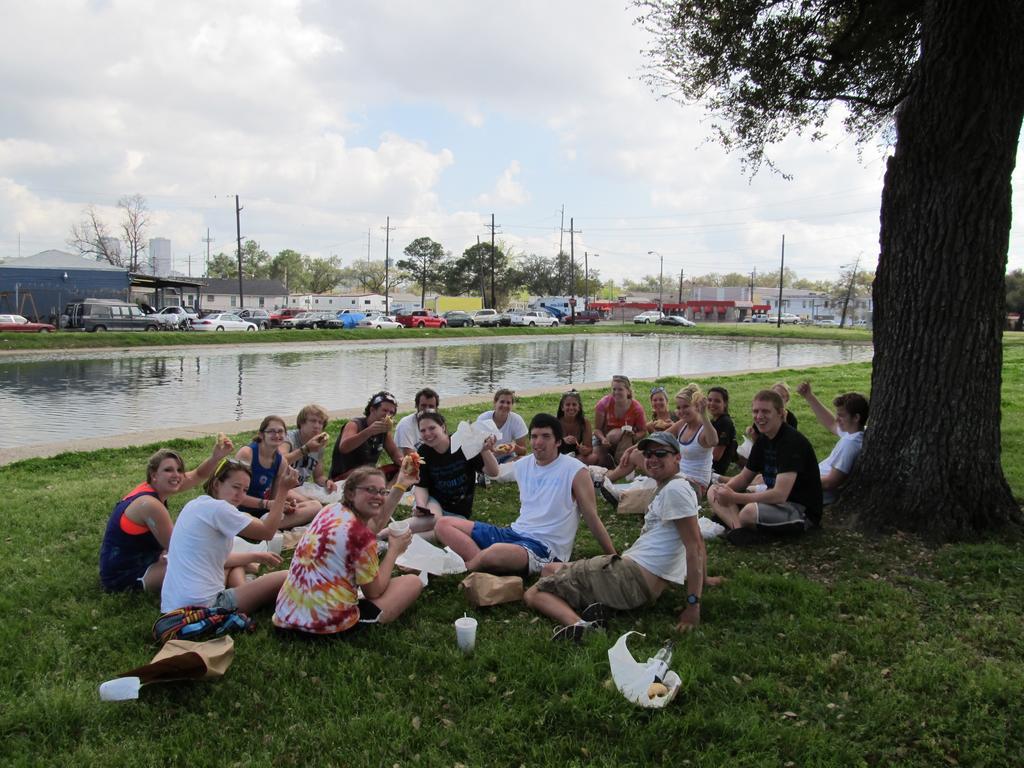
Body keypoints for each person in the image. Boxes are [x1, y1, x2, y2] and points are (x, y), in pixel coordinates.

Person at [524, 432, 710, 641]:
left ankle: (583, 627)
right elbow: (698, 541)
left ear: (677, 458)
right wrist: (705, 580)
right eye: (648, 454)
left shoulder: (675, 490)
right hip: (633, 576)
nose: (652, 459)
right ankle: (596, 605)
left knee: (534, 593)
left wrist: (693, 605)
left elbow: (694, 547)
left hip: (628, 578)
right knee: (549, 569)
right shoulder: (675, 485)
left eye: (661, 453)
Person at [434, 413, 617, 576]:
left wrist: (613, 556)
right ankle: (482, 562)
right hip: (514, 533)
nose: (538, 442)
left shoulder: (575, 471)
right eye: (534, 436)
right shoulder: (523, 465)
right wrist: (482, 446)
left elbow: (592, 517)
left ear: (558, 441)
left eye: (546, 436)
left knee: (496, 551)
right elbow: (495, 472)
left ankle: (468, 565)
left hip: (545, 548)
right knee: (443, 524)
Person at [272, 464, 423, 636]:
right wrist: (394, 550)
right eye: (371, 490)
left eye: (382, 492)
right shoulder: (362, 537)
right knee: (412, 582)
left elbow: (374, 525)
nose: (378, 497)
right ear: (351, 493)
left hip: (285, 619)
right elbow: (374, 592)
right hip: (326, 627)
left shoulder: (330, 510)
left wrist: (400, 485)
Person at [160, 458, 299, 614]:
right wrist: (283, 491)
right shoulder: (220, 509)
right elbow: (267, 532)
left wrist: (257, 556)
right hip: (206, 608)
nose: (240, 495)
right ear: (217, 484)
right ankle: (249, 594)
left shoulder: (195, 504)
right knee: (286, 576)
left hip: (173, 607)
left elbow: (220, 559)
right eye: (236, 487)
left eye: (245, 490)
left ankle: (245, 591)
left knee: (236, 566)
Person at [99, 435, 235, 593]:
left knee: (214, 556)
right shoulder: (150, 505)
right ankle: (235, 579)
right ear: (154, 475)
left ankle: (234, 575)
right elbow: (180, 550)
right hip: (123, 577)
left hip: (146, 560)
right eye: (168, 470)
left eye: (179, 470)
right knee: (203, 565)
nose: (176, 475)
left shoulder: (152, 487)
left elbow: (198, 475)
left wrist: (216, 457)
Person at [707, 389, 822, 538]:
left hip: (799, 509)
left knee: (749, 512)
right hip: (773, 502)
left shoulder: (791, 442)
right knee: (714, 490)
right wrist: (723, 492)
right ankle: (738, 529)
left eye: (765, 412)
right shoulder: (763, 439)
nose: (759, 416)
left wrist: (733, 498)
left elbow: (780, 495)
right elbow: (744, 478)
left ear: (780, 413)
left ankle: (739, 525)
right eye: (755, 411)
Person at [413, 411, 500, 528]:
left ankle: (396, 536)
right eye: (423, 430)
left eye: (432, 428)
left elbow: (494, 472)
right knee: (433, 519)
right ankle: (387, 533)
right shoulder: (423, 451)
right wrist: (421, 506)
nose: (427, 434)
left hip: (459, 510)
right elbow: (421, 485)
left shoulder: (462, 443)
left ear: (443, 427)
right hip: (434, 502)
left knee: (442, 529)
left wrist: (485, 450)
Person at [237, 415, 321, 527]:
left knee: (315, 506)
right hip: (240, 511)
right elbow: (235, 496)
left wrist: (284, 506)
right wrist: (268, 504)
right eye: (271, 431)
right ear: (261, 435)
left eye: (280, 432)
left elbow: (274, 498)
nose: (276, 435)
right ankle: (263, 526)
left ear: (285, 435)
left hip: (264, 513)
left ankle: (265, 525)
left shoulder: (280, 461)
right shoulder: (247, 454)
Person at [796, 382, 869, 504]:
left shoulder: (850, 444)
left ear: (856, 418)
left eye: (841, 416)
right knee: (761, 479)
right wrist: (809, 396)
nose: (837, 419)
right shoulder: (858, 431)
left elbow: (830, 482)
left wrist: (794, 481)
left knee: (758, 487)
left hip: (815, 493)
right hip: (810, 481)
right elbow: (831, 423)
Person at [330, 391, 404, 481]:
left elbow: (394, 452)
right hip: (345, 476)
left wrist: (404, 462)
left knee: (401, 471)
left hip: (369, 474)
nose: (388, 415)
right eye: (384, 410)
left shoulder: (384, 431)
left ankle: (386, 492)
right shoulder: (354, 424)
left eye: (391, 413)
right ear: (372, 410)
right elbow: (344, 447)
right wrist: (369, 432)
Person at [592, 375, 648, 467]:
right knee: (597, 461)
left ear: (628, 391)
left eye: (620, 389)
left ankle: (620, 461)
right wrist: (603, 439)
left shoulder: (637, 408)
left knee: (624, 461)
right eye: (614, 389)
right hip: (604, 439)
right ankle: (611, 459)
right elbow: (597, 430)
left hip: (626, 440)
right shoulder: (603, 404)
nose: (616, 392)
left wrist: (634, 436)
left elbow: (643, 431)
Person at [282, 403, 334, 490]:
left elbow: (318, 477)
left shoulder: (319, 445)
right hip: (280, 487)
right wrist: (306, 449)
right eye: (313, 421)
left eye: (320, 423)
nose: (317, 426)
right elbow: (279, 460)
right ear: (301, 423)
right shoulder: (288, 438)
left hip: (298, 488)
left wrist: (327, 482)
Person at [476, 388, 528, 462]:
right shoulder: (483, 419)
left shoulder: (516, 420)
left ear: (512, 405)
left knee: (522, 460)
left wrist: (515, 448)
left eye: (508, 403)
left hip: (507, 457)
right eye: (502, 402)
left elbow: (523, 452)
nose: (505, 405)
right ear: (495, 403)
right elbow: (477, 448)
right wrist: (493, 451)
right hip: (486, 459)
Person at [394, 388, 439, 456]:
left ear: (436, 409)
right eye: (423, 406)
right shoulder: (405, 424)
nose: (427, 410)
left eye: (431, 406)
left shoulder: (438, 424)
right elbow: (409, 456)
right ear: (416, 405)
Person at [707, 386, 738, 476]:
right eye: (709, 400)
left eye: (717, 401)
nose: (712, 403)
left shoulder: (725, 422)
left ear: (725, 403)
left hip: (714, 469)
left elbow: (716, 456)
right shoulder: (714, 421)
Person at [556, 390, 594, 462]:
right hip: (558, 455)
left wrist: (583, 449)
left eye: (574, 405)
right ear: (562, 407)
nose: (571, 408)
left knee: (593, 457)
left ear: (579, 407)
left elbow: (589, 448)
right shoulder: (555, 422)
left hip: (576, 456)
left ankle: (570, 465)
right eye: (567, 405)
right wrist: (563, 441)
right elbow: (549, 445)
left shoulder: (584, 423)